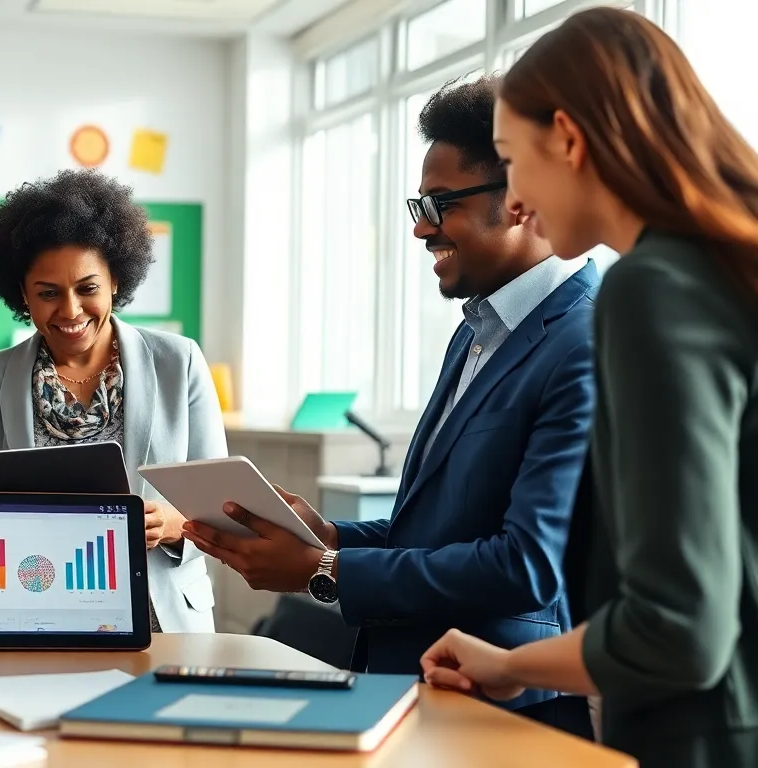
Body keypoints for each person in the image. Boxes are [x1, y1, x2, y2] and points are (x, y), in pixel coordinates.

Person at [183, 76, 598, 736]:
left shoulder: (583, 339)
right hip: (419, 693)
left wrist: (324, 571)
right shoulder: (476, 328)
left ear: (519, 199)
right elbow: (441, 530)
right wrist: (330, 538)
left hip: (507, 716)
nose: (419, 227)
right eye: (418, 202)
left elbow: (526, 565)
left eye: (439, 203)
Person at [420, 9, 758, 765]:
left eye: (514, 161)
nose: (516, 204)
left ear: (570, 139)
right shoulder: (719, 273)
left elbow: (677, 629)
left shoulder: (651, 289)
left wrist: (511, 665)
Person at [0, 169, 225, 633]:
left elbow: (223, 509)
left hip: (161, 618)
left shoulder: (178, 362)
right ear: (22, 293)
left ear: (115, 281)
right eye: (47, 293)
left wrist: (172, 523)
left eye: (87, 288)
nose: (70, 311)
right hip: (33, 609)